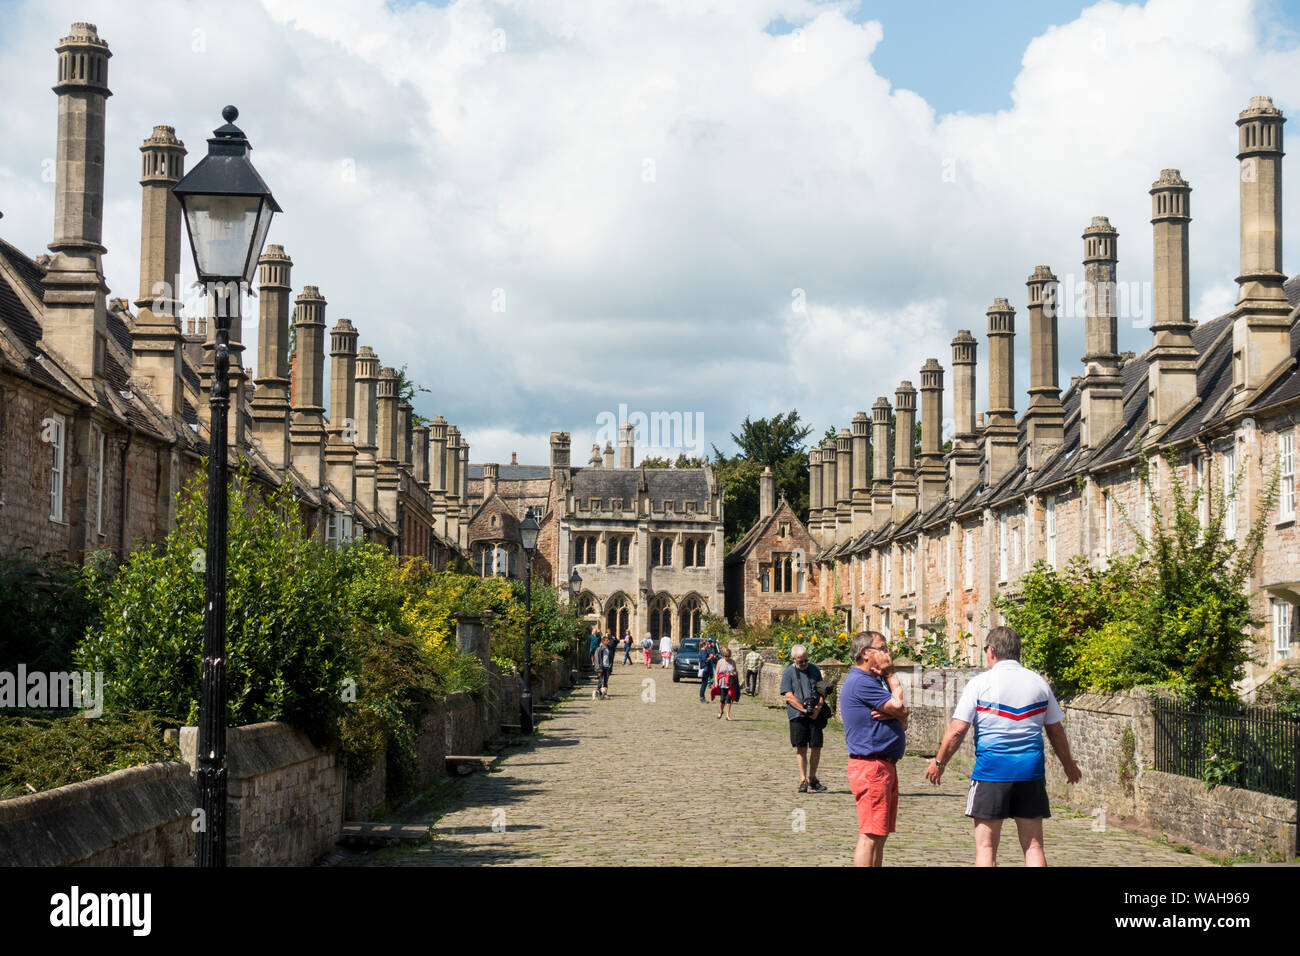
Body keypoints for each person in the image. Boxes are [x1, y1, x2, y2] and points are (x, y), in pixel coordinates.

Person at [925, 625, 1082, 867]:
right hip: (1030, 773)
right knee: (1033, 846)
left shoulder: (979, 683)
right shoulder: (1038, 683)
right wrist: (1068, 765)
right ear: (1018, 651)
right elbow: (1056, 731)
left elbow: (957, 731)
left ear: (991, 651)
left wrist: (939, 762)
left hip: (992, 773)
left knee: (986, 847)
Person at [841, 632, 909, 867]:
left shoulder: (871, 681)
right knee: (870, 835)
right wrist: (891, 675)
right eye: (882, 648)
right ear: (865, 653)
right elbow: (900, 707)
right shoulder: (861, 681)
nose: (887, 654)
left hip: (883, 765)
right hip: (872, 767)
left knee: (880, 834)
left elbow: (903, 715)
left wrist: (898, 713)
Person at [780, 644, 827, 793]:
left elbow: (822, 691)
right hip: (798, 715)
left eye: (806, 660)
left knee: (816, 746)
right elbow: (789, 696)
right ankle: (802, 779)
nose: (804, 663)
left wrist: (818, 709)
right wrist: (804, 710)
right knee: (801, 747)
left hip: (815, 714)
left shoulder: (814, 669)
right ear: (794, 659)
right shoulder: (788, 672)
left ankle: (812, 778)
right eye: (800, 661)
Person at [714, 647, 738, 720]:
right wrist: (716, 682)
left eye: (728, 656)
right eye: (726, 656)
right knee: (722, 699)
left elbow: (736, 672)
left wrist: (733, 674)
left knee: (728, 699)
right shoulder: (720, 662)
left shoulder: (733, 662)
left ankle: (728, 715)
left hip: (730, 683)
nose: (727, 658)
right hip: (722, 682)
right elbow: (716, 673)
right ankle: (721, 711)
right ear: (723, 655)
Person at [592, 635, 614, 699]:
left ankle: (604, 693)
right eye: (607, 640)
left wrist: (610, 664)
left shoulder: (609, 648)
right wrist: (598, 667)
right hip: (601, 667)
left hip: (607, 667)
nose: (608, 641)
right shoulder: (599, 649)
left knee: (606, 681)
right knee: (600, 681)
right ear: (603, 641)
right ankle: (598, 693)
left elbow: (610, 657)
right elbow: (597, 659)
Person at [698, 636, 719, 704]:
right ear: (704, 645)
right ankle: (702, 698)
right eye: (707, 645)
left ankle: (702, 697)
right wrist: (710, 657)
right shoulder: (703, 651)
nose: (708, 646)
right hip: (705, 669)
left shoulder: (703, 651)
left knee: (704, 684)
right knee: (704, 684)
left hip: (706, 669)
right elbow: (705, 660)